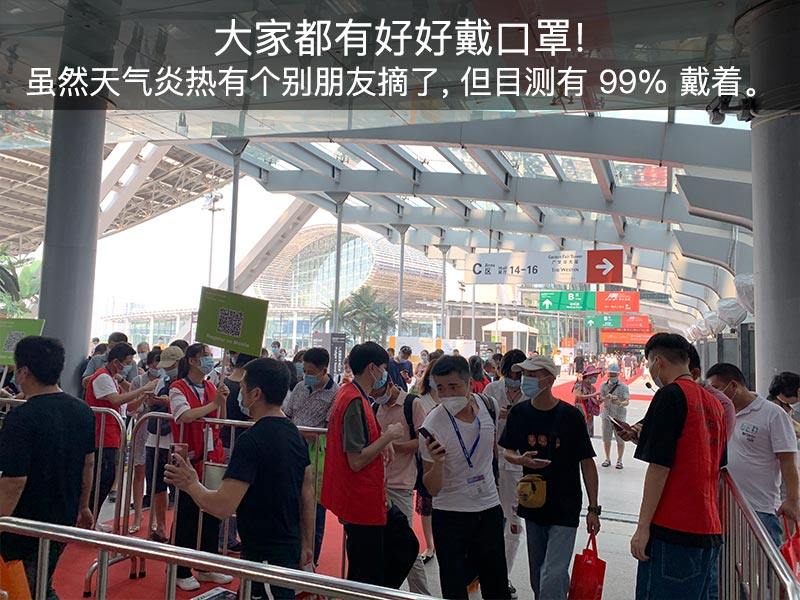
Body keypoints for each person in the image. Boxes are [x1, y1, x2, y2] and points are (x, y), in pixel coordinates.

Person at [166, 358, 315, 600]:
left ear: (256, 394)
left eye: (243, 387)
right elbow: (307, 493)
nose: (240, 392)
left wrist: (190, 483)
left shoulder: (251, 441)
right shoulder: (295, 434)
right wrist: (307, 543)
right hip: (286, 546)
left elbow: (222, 506)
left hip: (264, 555)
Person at [0, 336, 96, 598]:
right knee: (41, 582)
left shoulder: (21, 418)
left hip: (23, 524)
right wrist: (84, 506)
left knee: (26, 588)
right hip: (62, 516)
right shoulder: (83, 411)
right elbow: (88, 463)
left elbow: (13, 482)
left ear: (24, 372)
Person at [631, 333, 725, 600]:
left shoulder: (670, 395)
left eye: (649, 364)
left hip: (673, 528)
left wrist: (642, 527)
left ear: (658, 362)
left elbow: (659, 467)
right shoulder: (713, 403)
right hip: (708, 529)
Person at [499, 355, 600, 600]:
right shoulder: (519, 413)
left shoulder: (571, 416)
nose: (526, 379)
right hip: (533, 504)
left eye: (532, 375)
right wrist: (520, 460)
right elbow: (508, 450)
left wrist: (593, 508)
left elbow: (587, 463)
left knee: (552, 574)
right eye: (525, 374)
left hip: (566, 506)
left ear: (550, 379)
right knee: (539, 576)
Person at [321, 341, 418, 588]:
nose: (385, 374)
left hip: (369, 496)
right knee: (367, 570)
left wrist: (381, 439)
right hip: (361, 500)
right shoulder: (353, 400)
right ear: (373, 368)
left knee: (401, 546)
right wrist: (388, 437)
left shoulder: (353, 395)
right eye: (383, 368)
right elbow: (356, 460)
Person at [420, 355, 510, 600]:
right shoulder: (432, 425)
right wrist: (438, 462)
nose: (447, 394)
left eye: (453, 386)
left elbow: (491, 451)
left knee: (497, 584)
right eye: (440, 388)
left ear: (469, 383)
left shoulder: (489, 406)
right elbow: (431, 488)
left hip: (489, 508)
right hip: (451, 515)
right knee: (454, 587)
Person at [706, 362, 800, 547]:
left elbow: (788, 461)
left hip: (760, 509)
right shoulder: (720, 414)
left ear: (733, 386)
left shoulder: (772, 414)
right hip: (724, 506)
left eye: (716, 389)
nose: (714, 395)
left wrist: (792, 500)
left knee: (764, 561)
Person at [169, 343, 231, 591]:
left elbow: (220, 420)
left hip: (212, 458)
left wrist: (222, 401)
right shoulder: (177, 387)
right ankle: (180, 569)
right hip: (188, 460)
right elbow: (184, 416)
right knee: (187, 516)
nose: (209, 360)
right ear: (192, 361)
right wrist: (214, 403)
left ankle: (207, 566)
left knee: (211, 513)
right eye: (205, 356)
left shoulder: (211, 386)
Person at [85, 343, 156, 526]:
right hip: (102, 435)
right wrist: (142, 388)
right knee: (102, 479)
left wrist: (143, 395)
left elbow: (127, 406)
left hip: (111, 434)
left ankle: (92, 519)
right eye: (127, 362)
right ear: (116, 361)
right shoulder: (102, 377)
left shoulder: (112, 378)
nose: (129, 366)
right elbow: (116, 400)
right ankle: (88, 519)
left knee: (106, 479)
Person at [373, 379, 431, 595]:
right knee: (380, 543)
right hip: (378, 483)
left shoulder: (412, 404)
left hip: (401, 483)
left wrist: (392, 444)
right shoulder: (376, 407)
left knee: (406, 544)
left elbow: (423, 441)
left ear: (388, 384)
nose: (375, 396)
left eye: (377, 391)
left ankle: (422, 594)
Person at [284, 346, 339, 564]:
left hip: (316, 457)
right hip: (291, 450)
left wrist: (297, 431)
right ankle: (292, 554)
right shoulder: (299, 387)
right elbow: (288, 414)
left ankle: (311, 559)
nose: (306, 375)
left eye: (311, 371)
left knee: (315, 509)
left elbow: (327, 430)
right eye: (304, 370)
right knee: (291, 502)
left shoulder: (335, 394)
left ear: (324, 370)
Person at [484, 349, 528, 598]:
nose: (515, 379)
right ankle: (484, 572)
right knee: (489, 521)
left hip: (516, 466)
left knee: (513, 523)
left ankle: (504, 576)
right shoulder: (492, 391)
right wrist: (495, 414)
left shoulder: (529, 393)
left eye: (520, 374)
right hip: (490, 463)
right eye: (512, 373)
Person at [218, 352, 258, 553]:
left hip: (224, 443)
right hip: (238, 445)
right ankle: (227, 538)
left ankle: (225, 537)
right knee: (234, 494)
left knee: (224, 491)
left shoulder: (223, 384)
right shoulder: (245, 389)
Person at [145, 345, 183, 543]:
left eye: (171, 366)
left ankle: (180, 531)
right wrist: (154, 401)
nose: (167, 369)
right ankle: (160, 527)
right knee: (156, 486)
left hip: (177, 442)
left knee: (181, 489)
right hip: (155, 439)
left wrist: (167, 402)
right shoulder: (162, 380)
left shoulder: (187, 383)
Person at [129, 348, 162, 534]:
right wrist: (144, 394)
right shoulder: (138, 381)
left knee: (155, 474)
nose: (159, 367)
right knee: (139, 471)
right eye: (156, 363)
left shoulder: (166, 381)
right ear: (149, 364)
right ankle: (137, 514)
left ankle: (156, 517)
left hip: (159, 430)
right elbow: (130, 408)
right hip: (141, 428)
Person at [415, 356, 440, 565]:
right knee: (426, 504)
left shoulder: (454, 401)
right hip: (425, 458)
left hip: (450, 459)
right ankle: (430, 545)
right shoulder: (420, 401)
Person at [599, 364, 630, 469]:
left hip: (619, 417)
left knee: (620, 439)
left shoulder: (624, 387)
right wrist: (605, 398)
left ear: (618, 375)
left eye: (614, 374)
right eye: (610, 374)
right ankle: (607, 458)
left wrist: (619, 402)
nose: (612, 376)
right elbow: (600, 400)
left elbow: (626, 401)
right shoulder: (603, 386)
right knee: (606, 438)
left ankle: (619, 460)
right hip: (606, 415)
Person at [574, 366, 601, 436]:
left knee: (588, 434)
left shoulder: (593, 388)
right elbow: (579, 397)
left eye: (596, 377)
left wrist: (602, 399)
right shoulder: (579, 385)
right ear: (589, 376)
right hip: (580, 409)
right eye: (594, 377)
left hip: (589, 411)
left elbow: (595, 402)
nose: (595, 379)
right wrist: (593, 395)